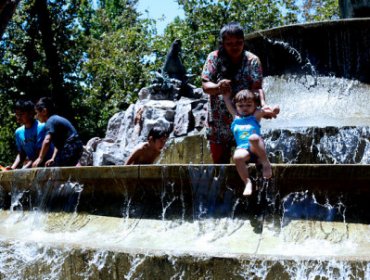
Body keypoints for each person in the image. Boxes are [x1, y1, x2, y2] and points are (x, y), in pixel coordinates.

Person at [201, 22, 271, 164]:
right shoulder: (213, 58)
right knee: (220, 165)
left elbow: (257, 88)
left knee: (250, 163)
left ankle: (249, 185)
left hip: (245, 122)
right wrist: (218, 87)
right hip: (218, 123)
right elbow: (205, 85)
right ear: (223, 44)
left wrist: (263, 106)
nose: (235, 47)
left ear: (244, 42)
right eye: (229, 43)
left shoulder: (252, 60)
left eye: (239, 42)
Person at [223, 89, 279, 196]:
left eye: (248, 105)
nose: (244, 108)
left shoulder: (255, 116)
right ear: (236, 106)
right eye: (241, 105)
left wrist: (275, 110)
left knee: (253, 138)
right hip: (244, 151)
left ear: (255, 105)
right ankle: (247, 182)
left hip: (257, 150)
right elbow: (227, 101)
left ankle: (265, 163)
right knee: (237, 157)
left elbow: (272, 112)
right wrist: (226, 95)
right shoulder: (236, 117)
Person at [32, 97, 83, 167]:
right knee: (64, 165)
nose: (36, 116)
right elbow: (58, 144)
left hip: (71, 145)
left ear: (44, 111)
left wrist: (40, 157)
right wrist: (53, 158)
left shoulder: (50, 121)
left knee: (61, 168)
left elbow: (47, 141)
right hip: (76, 145)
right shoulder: (55, 119)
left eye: (37, 113)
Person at [6, 100, 53, 170]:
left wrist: (26, 167)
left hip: (48, 166)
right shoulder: (18, 132)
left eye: (21, 114)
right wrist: (12, 167)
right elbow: (21, 154)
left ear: (31, 113)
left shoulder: (41, 127)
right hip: (33, 166)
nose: (18, 117)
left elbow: (40, 152)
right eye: (16, 114)